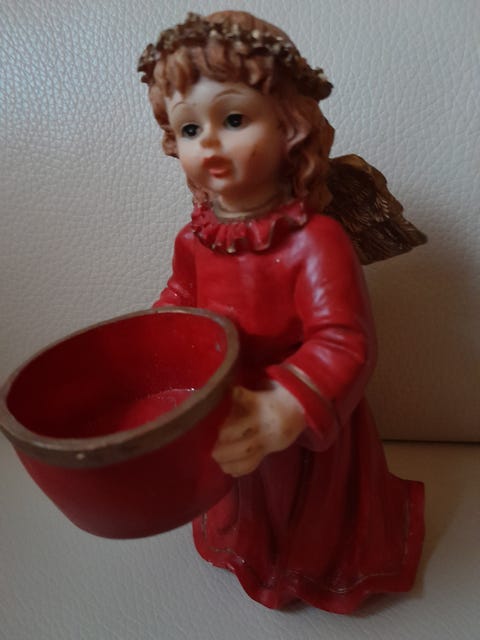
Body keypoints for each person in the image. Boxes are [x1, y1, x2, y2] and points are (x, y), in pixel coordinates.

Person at [138, 11, 425, 613]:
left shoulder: (315, 241)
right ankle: (249, 549)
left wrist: (286, 406)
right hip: (230, 407)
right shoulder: (194, 238)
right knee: (246, 502)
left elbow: (344, 339)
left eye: (233, 119)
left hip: (298, 417)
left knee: (311, 520)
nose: (208, 143)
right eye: (189, 128)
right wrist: (159, 340)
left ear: (290, 125)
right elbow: (181, 297)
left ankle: (315, 566)